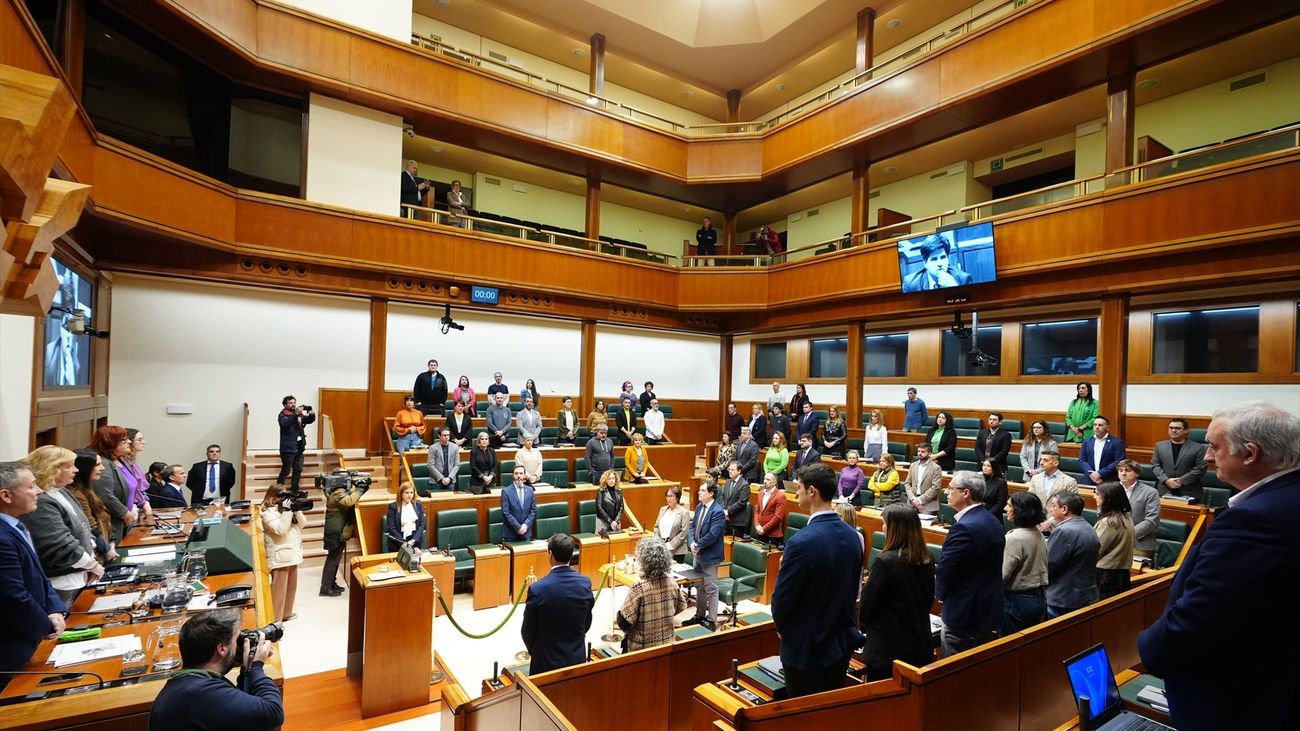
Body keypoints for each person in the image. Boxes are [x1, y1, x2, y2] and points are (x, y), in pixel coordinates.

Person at [1139, 402, 1300, 730]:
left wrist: (1146, 646)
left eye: (1214, 447)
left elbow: (1201, 620)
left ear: (1250, 454)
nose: (1207, 457)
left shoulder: (1256, 521)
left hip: (1241, 704)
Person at [771, 463, 865, 696]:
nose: (796, 494)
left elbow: (782, 601)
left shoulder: (801, 542)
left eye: (799, 488)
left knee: (804, 717)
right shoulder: (854, 537)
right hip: (840, 644)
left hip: (806, 648)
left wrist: (785, 629)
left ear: (812, 491)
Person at [148, 609, 282, 730]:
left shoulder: (185, 685)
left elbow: (242, 705)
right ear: (222, 649)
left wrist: (247, 668)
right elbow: (273, 713)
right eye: (237, 640)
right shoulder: (200, 694)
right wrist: (255, 667)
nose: (240, 645)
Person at [0, 461, 68, 673]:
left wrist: (55, 608)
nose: (38, 491)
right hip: (12, 650)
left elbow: (39, 575)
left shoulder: (17, 525)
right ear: (6, 496)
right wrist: (48, 625)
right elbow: (12, 596)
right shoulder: (2, 536)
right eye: (31, 486)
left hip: (32, 637)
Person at [859, 503, 936, 680]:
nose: (883, 527)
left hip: (888, 652)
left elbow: (867, 609)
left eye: (885, 523)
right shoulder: (927, 557)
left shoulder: (886, 562)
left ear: (895, 528)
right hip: (920, 644)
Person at [935, 470, 1005, 656]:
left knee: (953, 671)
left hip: (963, 612)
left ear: (966, 493)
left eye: (951, 488)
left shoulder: (964, 527)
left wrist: (939, 594)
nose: (946, 492)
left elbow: (947, 568)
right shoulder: (992, 520)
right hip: (985, 608)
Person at [19, 446, 103, 603]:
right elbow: (59, 545)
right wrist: (91, 565)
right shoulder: (41, 501)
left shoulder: (61, 491)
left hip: (78, 575)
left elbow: (83, 527)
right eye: (69, 466)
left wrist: (91, 560)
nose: (76, 470)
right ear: (51, 469)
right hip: (60, 582)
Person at [520, 534, 593, 674]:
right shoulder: (585, 584)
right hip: (576, 658)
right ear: (571, 555)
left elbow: (527, 631)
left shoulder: (537, 589)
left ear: (550, 554)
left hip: (545, 662)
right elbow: (586, 623)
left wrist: (537, 651)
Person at [617, 536, 685, 651]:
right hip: (667, 643)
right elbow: (681, 606)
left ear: (644, 561)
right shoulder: (672, 582)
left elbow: (623, 621)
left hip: (642, 647)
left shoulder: (640, 587)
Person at [1045, 491, 1099, 617]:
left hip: (1063, 598)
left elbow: (1050, 565)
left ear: (1064, 509)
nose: (1051, 509)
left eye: (1053, 505)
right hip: (1086, 595)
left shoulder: (1062, 531)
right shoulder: (1088, 527)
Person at [1001, 491, 1048, 635]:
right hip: (1038, 597)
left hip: (1017, 600)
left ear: (1019, 510)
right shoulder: (1037, 532)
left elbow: (1002, 575)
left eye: (1009, 506)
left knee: (1010, 647)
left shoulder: (1014, 538)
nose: (1005, 509)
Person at [683, 481, 725, 631]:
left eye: (702, 490)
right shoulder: (700, 506)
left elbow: (713, 534)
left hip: (710, 556)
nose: (698, 493)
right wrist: (692, 543)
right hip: (697, 553)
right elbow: (692, 527)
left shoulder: (718, 511)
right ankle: (699, 615)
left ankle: (711, 620)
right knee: (699, 586)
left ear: (711, 493)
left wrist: (698, 545)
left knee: (711, 588)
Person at [261, 484, 306, 622]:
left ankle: (286, 613)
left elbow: (303, 524)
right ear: (272, 496)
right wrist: (287, 510)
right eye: (282, 495)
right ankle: (274, 621)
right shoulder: (267, 513)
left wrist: (296, 510)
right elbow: (280, 530)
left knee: (291, 587)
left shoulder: (287, 509)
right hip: (279, 556)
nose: (284, 498)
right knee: (278, 591)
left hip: (292, 553)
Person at [320, 472, 366, 597]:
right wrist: (360, 489)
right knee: (333, 559)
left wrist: (357, 488)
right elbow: (349, 501)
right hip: (335, 531)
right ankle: (325, 587)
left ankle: (331, 583)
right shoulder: (337, 491)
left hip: (338, 529)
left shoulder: (337, 490)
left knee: (335, 558)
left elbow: (349, 497)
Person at [90, 425, 136, 544]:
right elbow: (105, 495)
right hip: (113, 523)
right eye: (124, 440)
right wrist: (125, 513)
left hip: (126, 519)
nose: (129, 442)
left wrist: (134, 505)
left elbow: (130, 487)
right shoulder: (104, 463)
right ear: (109, 442)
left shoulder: (119, 460)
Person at [68, 450, 114, 563]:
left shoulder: (87, 489)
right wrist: (107, 549)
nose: (102, 468)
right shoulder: (77, 494)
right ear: (85, 468)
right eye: (97, 465)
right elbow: (90, 527)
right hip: (97, 554)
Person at [1150, 417, 1209, 502]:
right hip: (1164, 490)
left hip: (1190, 491)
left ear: (1186, 430)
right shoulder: (1159, 446)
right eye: (1171, 428)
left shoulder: (1198, 448)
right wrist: (1166, 480)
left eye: (1177, 428)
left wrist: (1181, 481)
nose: (1173, 430)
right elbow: (1155, 466)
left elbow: (1200, 468)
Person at [1093, 481, 1134, 600]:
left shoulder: (1109, 522)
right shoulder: (1125, 517)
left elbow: (1096, 550)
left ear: (1108, 498)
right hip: (1121, 573)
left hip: (1106, 576)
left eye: (1098, 494)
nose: (1094, 496)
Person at [1116, 459, 1161, 559]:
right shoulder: (1111, 489)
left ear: (1137, 473)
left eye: (1127, 470)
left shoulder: (1150, 492)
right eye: (1120, 470)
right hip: (1113, 541)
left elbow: (1151, 520)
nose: (1123, 473)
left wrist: (1127, 534)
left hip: (1138, 543)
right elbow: (1102, 513)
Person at [900, 234, 971, 292]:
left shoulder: (963, 279)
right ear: (925, 263)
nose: (940, 263)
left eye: (943, 257)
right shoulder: (911, 283)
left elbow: (969, 307)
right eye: (934, 259)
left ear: (948, 258)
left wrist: (954, 288)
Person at [277, 395, 315, 490]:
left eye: (294, 403)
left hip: (299, 447)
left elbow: (310, 420)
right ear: (285, 404)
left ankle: (294, 490)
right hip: (288, 449)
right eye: (290, 403)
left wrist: (310, 411)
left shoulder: (297, 415)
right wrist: (295, 414)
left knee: (298, 469)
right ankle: (278, 489)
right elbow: (285, 424)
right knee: (286, 471)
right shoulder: (282, 415)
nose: (293, 404)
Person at [1079, 415, 1125, 485]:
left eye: (1100, 425)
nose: (1097, 427)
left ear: (1108, 427)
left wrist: (1100, 473)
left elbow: (1118, 462)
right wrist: (1092, 474)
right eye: (1095, 425)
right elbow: (1082, 460)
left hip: (1108, 480)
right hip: (1090, 479)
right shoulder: (1087, 441)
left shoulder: (1117, 442)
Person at [120, 429, 153, 521]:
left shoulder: (132, 461)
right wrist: (141, 503)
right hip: (131, 507)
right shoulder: (124, 462)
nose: (144, 442)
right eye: (139, 440)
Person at [653, 486, 690, 562]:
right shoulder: (663, 509)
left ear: (677, 498)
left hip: (677, 550)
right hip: (662, 546)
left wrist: (670, 545)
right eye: (667, 496)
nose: (669, 499)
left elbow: (683, 533)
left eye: (671, 496)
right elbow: (656, 527)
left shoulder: (684, 512)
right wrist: (658, 542)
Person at [385, 481, 426, 549]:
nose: (409, 495)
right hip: (398, 543)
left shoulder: (418, 504)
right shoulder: (393, 507)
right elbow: (392, 528)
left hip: (415, 542)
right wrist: (404, 543)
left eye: (411, 492)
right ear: (401, 494)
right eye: (406, 493)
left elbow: (422, 524)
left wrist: (413, 540)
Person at [905, 443, 943, 515]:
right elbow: (907, 483)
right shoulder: (913, 465)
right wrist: (912, 498)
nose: (920, 453)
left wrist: (920, 500)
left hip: (928, 504)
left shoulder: (936, 468)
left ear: (929, 453)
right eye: (919, 451)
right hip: (911, 502)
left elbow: (936, 487)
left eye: (923, 452)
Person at [501, 466, 536, 542]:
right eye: (516, 473)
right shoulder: (506, 491)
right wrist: (518, 527)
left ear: (524, 475)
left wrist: (525, 525)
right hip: (511, 534)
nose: (519, 476)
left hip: (526, 533)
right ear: (513, 475)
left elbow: (533, 511)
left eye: (521, 473)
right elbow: (506, 513)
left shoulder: (530, 490)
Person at [752, 472, 787, 547]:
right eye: (764, 479)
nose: (765, 481)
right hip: (760, 532)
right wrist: (757, 525)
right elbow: (756, 511)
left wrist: (764, 529)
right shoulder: (761, 493)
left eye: (768, 479)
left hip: (772, 535)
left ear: (775, 482)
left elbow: (778, 517)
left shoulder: (780, 496)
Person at [721, 463, 750, 539]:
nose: (730, 471)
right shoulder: (728, 482)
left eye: (732, 470)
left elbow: (741, 502)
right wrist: (724, 511)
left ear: (739, 471)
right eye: (729, 469)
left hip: (736, 522)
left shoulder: (744, 485)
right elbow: (723, 498)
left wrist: (728, 512)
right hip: (725, 520)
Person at [427, 427, 460, 492]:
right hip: (436, 481)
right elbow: (430, 465)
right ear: (439, 436)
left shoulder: (455, 447)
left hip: (450, 481)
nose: (447, 437)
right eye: (444, 435)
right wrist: (441, 478)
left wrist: (449, 478)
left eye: (448, 435)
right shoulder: (432, 448)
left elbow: (457, 465)